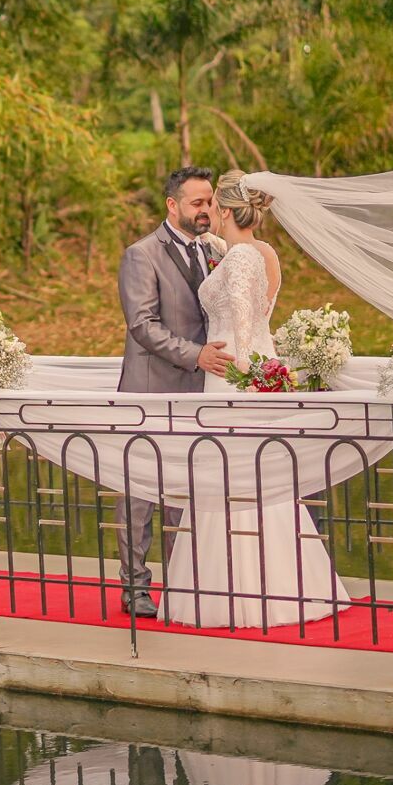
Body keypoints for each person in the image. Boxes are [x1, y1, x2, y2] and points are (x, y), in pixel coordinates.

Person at [159, 170, 346, 628]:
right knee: (261, 484)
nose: (207, 214)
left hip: (232, 378)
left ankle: (236, 597)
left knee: (232, 482)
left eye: (213, 207)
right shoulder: (262, 252)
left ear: (224, 210)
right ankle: (285, 588)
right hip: (257, 374)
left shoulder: (241, 257)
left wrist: (240, 373)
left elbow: (243, 332)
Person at [114, 166, 234, 618]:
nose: (206, 211)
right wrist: (196, 355)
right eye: (197, 203)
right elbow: (142, 325)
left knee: (184, 491)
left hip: (198, 393)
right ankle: (135, 588)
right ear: (173, 205)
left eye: (210, 203)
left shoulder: (214, 251)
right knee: (140, 496)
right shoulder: (141, 254)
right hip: (150, 392)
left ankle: (180, 583)